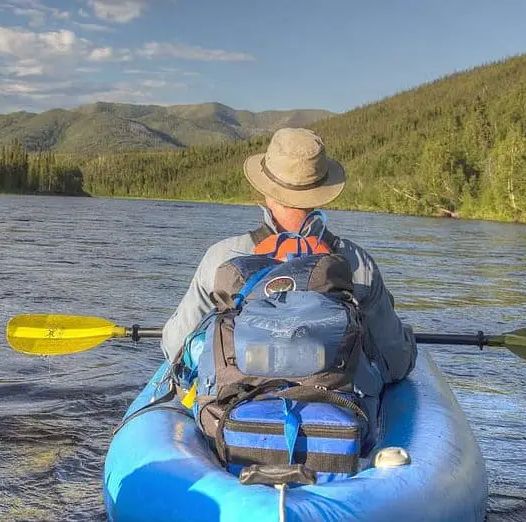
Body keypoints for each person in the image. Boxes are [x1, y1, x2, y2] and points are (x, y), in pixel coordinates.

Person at [160, 128, 417, 429]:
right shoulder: (358, 265)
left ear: (266, 192)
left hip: (232, 417)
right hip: (333, 421)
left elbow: (175, 346)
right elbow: (395, 363)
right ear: (323, 193)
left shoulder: (221, 258)